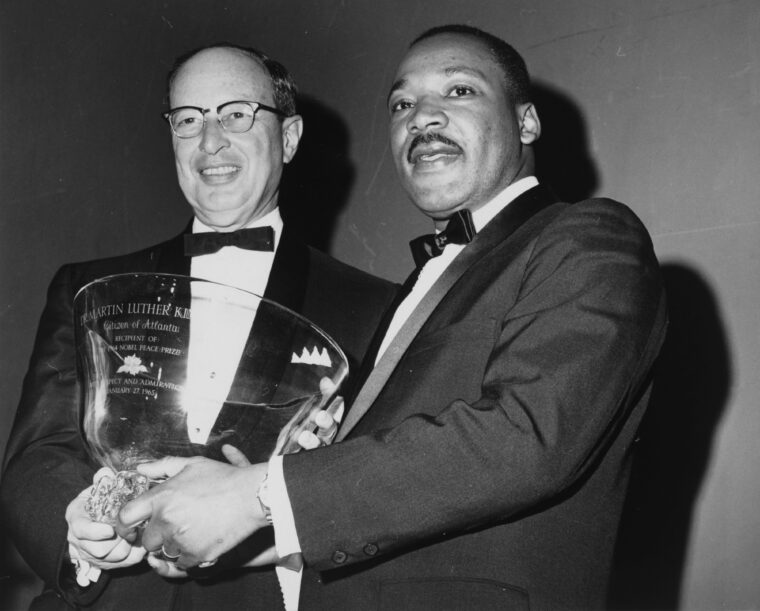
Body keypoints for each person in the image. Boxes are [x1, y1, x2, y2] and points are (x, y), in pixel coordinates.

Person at [117, 24, 668, 610]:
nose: (421, 118)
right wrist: (248, 535)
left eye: (459, 91)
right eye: (402, 103)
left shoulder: (589, 237)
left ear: (526, 122)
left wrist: (255, 495)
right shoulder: (415, 290)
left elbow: (526, 435)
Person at [0, 43, 396, 610]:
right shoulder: (88, 287)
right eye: (188, 121)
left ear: (288, 137)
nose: (211, 142)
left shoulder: (375, 307)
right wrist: (79, 534)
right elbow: (37, 457)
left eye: (237, 114)